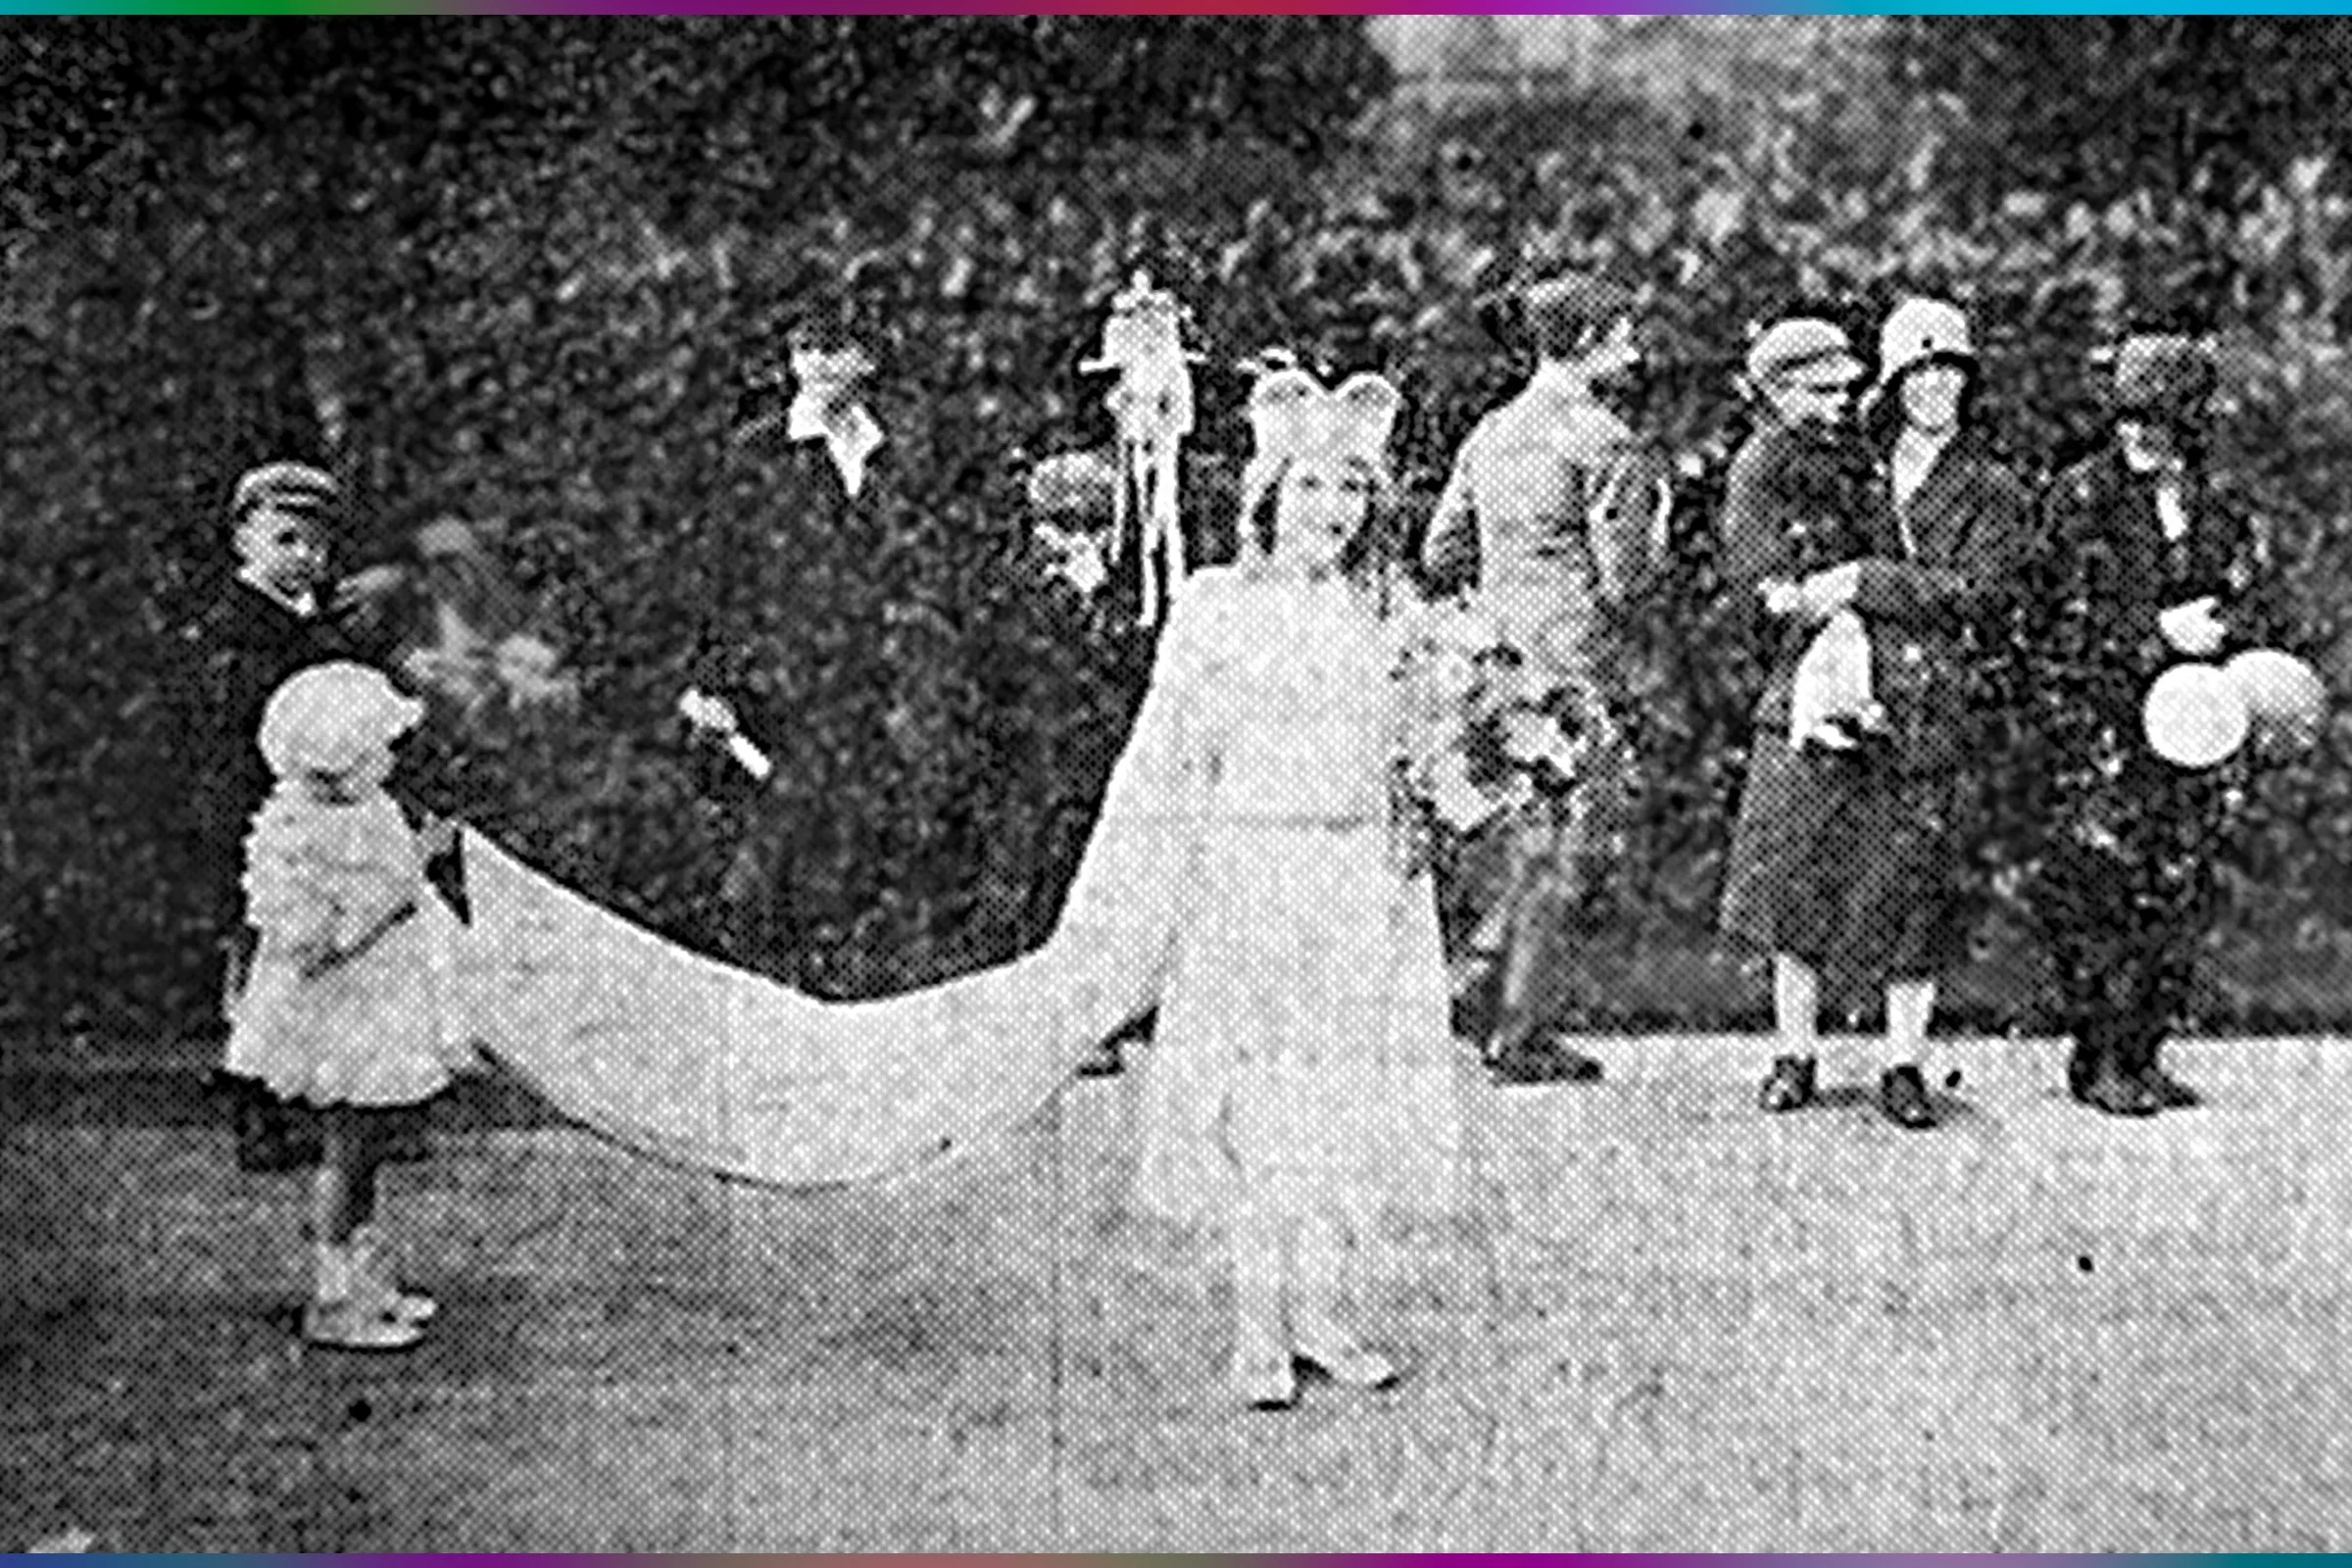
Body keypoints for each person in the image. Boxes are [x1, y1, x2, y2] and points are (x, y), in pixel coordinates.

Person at [1130, 365, 1462, 1411]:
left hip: (1364, 876)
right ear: (1268, 495)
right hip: (1255, 872)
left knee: (1344, 1096)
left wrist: (1463, 778)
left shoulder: (1390, 616)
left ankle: (1322, 1309)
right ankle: (1256, 1322)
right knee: (1264, 1099)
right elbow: (1171, 759)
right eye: (1312, 487)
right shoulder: (1216, 608)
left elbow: (1423, 749)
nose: (1334, 511)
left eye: (1353, 490)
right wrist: (1170, 888)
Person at [1717, 306, 2033, 1129]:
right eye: (1920, 375)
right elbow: (1765, 568)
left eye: (1952, 373)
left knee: (1911, 888)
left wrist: (1866, 582)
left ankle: (1904, 1063)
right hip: (1817, 690)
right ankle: (1795, 1051)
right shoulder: (1844, 462)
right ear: (1892, 385)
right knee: (1797, 873)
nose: (1937, 389)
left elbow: (1985, 595)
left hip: (1923, 706)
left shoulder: (1993, 487)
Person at [1418, 271, 1671, 1085]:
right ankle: (1517, 1028)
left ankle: (1478, 986)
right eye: (1622, 335)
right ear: (1589, 340)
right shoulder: (1605, 442)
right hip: (1570, 669)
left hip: (1495, 663)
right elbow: (1625, 581)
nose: (1632, 352)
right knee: (1559, 851)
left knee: (1522, 845)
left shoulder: (1492, 432)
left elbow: (1441, 551)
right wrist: (1656, 523)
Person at [2022, 334, 2259, 1117]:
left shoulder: (2215, 505)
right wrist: (2161, 633)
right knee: (2101, 892)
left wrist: (2232, 632)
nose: (2140, 433)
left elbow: (2247, 600)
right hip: (2103, 731)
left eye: (2159, 417)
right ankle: (2099, 1057)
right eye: (2128, 417)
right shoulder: (2081, 498)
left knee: (2179, 886)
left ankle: (2144, 1049)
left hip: (2194, 729)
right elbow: (2059, 627)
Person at [223, 662, 475, 1350]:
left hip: (379, 1007)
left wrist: (417, 863)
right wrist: (405, 878)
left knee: (364, 1151)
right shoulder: (296, 832)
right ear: (335, 761)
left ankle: (366, 1283)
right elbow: (313, 943)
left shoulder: (370, 812)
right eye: (377, 750)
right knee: (345, 1150)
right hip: (339, 1020)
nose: (390, 762)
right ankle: (334, 1297)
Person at [177, 462, 383, 1173]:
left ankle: (299, 1104)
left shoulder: (318, 624)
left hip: (312, 818)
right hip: (254, 816)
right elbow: (238, 721)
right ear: (244, 542)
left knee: (307, 960)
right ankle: (257, 1113)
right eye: (286, 539)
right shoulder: (235, 631)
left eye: (316, 545)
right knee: (260, 962)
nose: (304, 557)